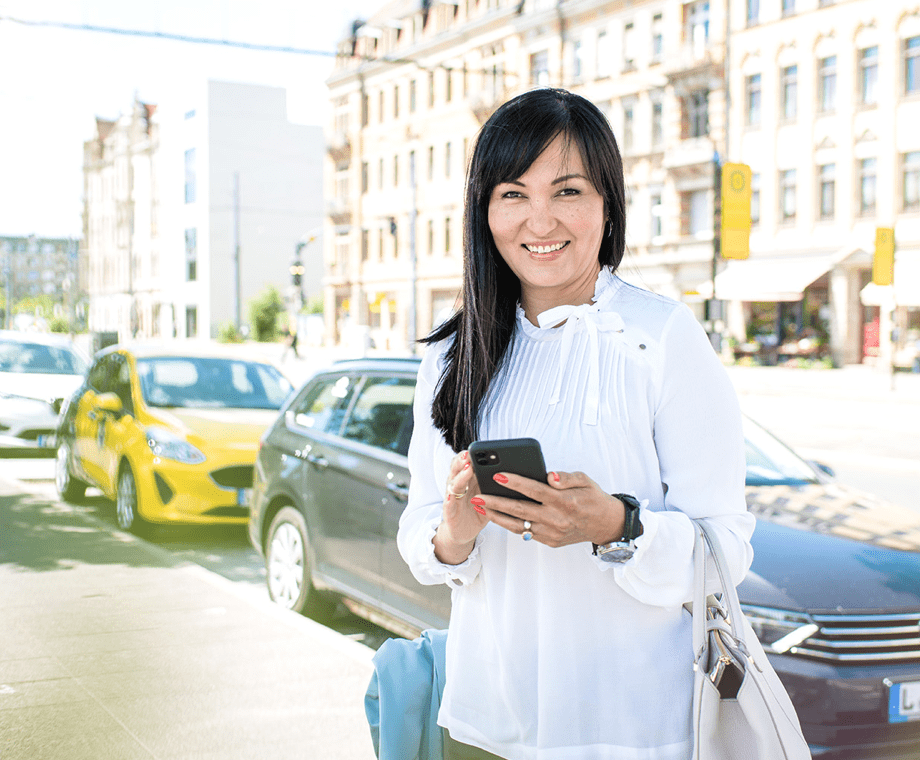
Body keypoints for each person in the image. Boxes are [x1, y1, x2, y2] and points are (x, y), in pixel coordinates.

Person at [396, 88, 755, 760]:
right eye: (512, 193)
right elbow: (421, 537)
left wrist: (618, 527)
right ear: (483, 209)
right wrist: (455, 531)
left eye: (567, 191)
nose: (540, 220)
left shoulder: (663, 337)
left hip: (635, 732)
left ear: (608, 205)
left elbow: (728, 549)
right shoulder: (452, 355)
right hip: (485, 726)